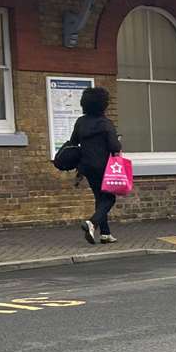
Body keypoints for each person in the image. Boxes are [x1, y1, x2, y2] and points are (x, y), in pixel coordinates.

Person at [67, 85, 122, 245]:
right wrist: (118, 141)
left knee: (99, 197)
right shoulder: (106, 123)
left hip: (87, 167)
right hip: (104, 167)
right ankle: (92, 223)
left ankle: (105, 234)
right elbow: (114, 147)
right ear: (103, 104)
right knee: (110, 199)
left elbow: (73, 142)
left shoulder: (80, 122)